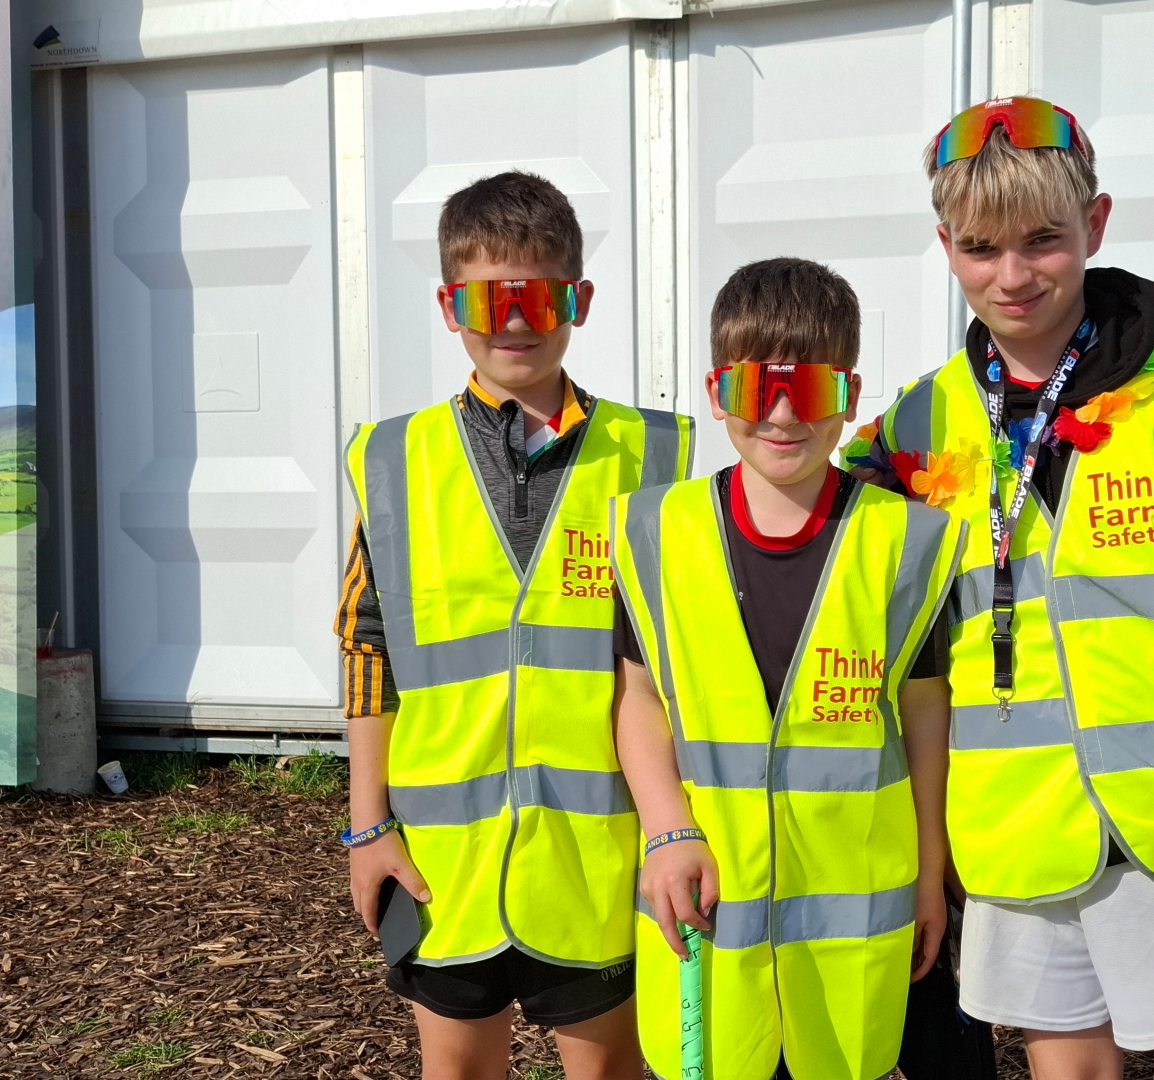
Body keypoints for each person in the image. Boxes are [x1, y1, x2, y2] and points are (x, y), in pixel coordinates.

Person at [854, 97, 1154, 1079]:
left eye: (1043, 240)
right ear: (946, 246)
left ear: (1097, 223)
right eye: (981, 248)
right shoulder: (913, 430)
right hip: (1019, 833)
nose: (1012, 275)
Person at [334, 171, 693, 1080]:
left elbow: (668, 664)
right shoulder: (395, 457)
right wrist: (367, 828)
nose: (515, 323)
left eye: (539, 297)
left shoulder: (654, 458)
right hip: (442, 866)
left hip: (595, 865)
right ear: (449, 308)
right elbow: (366, 647)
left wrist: (669, 832)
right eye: (489, 301)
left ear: (580, 300)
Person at [609, 258, 967, 1080]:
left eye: (806, 390)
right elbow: (640, 698)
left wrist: (929, 874)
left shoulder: (907, 540)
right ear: (715, 391)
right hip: (709, 903)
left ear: (848, 394)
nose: (779, 415)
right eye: (752, 389)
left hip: (854, 917)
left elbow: (923, 717)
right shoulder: (657, 531)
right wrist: (666, 828)